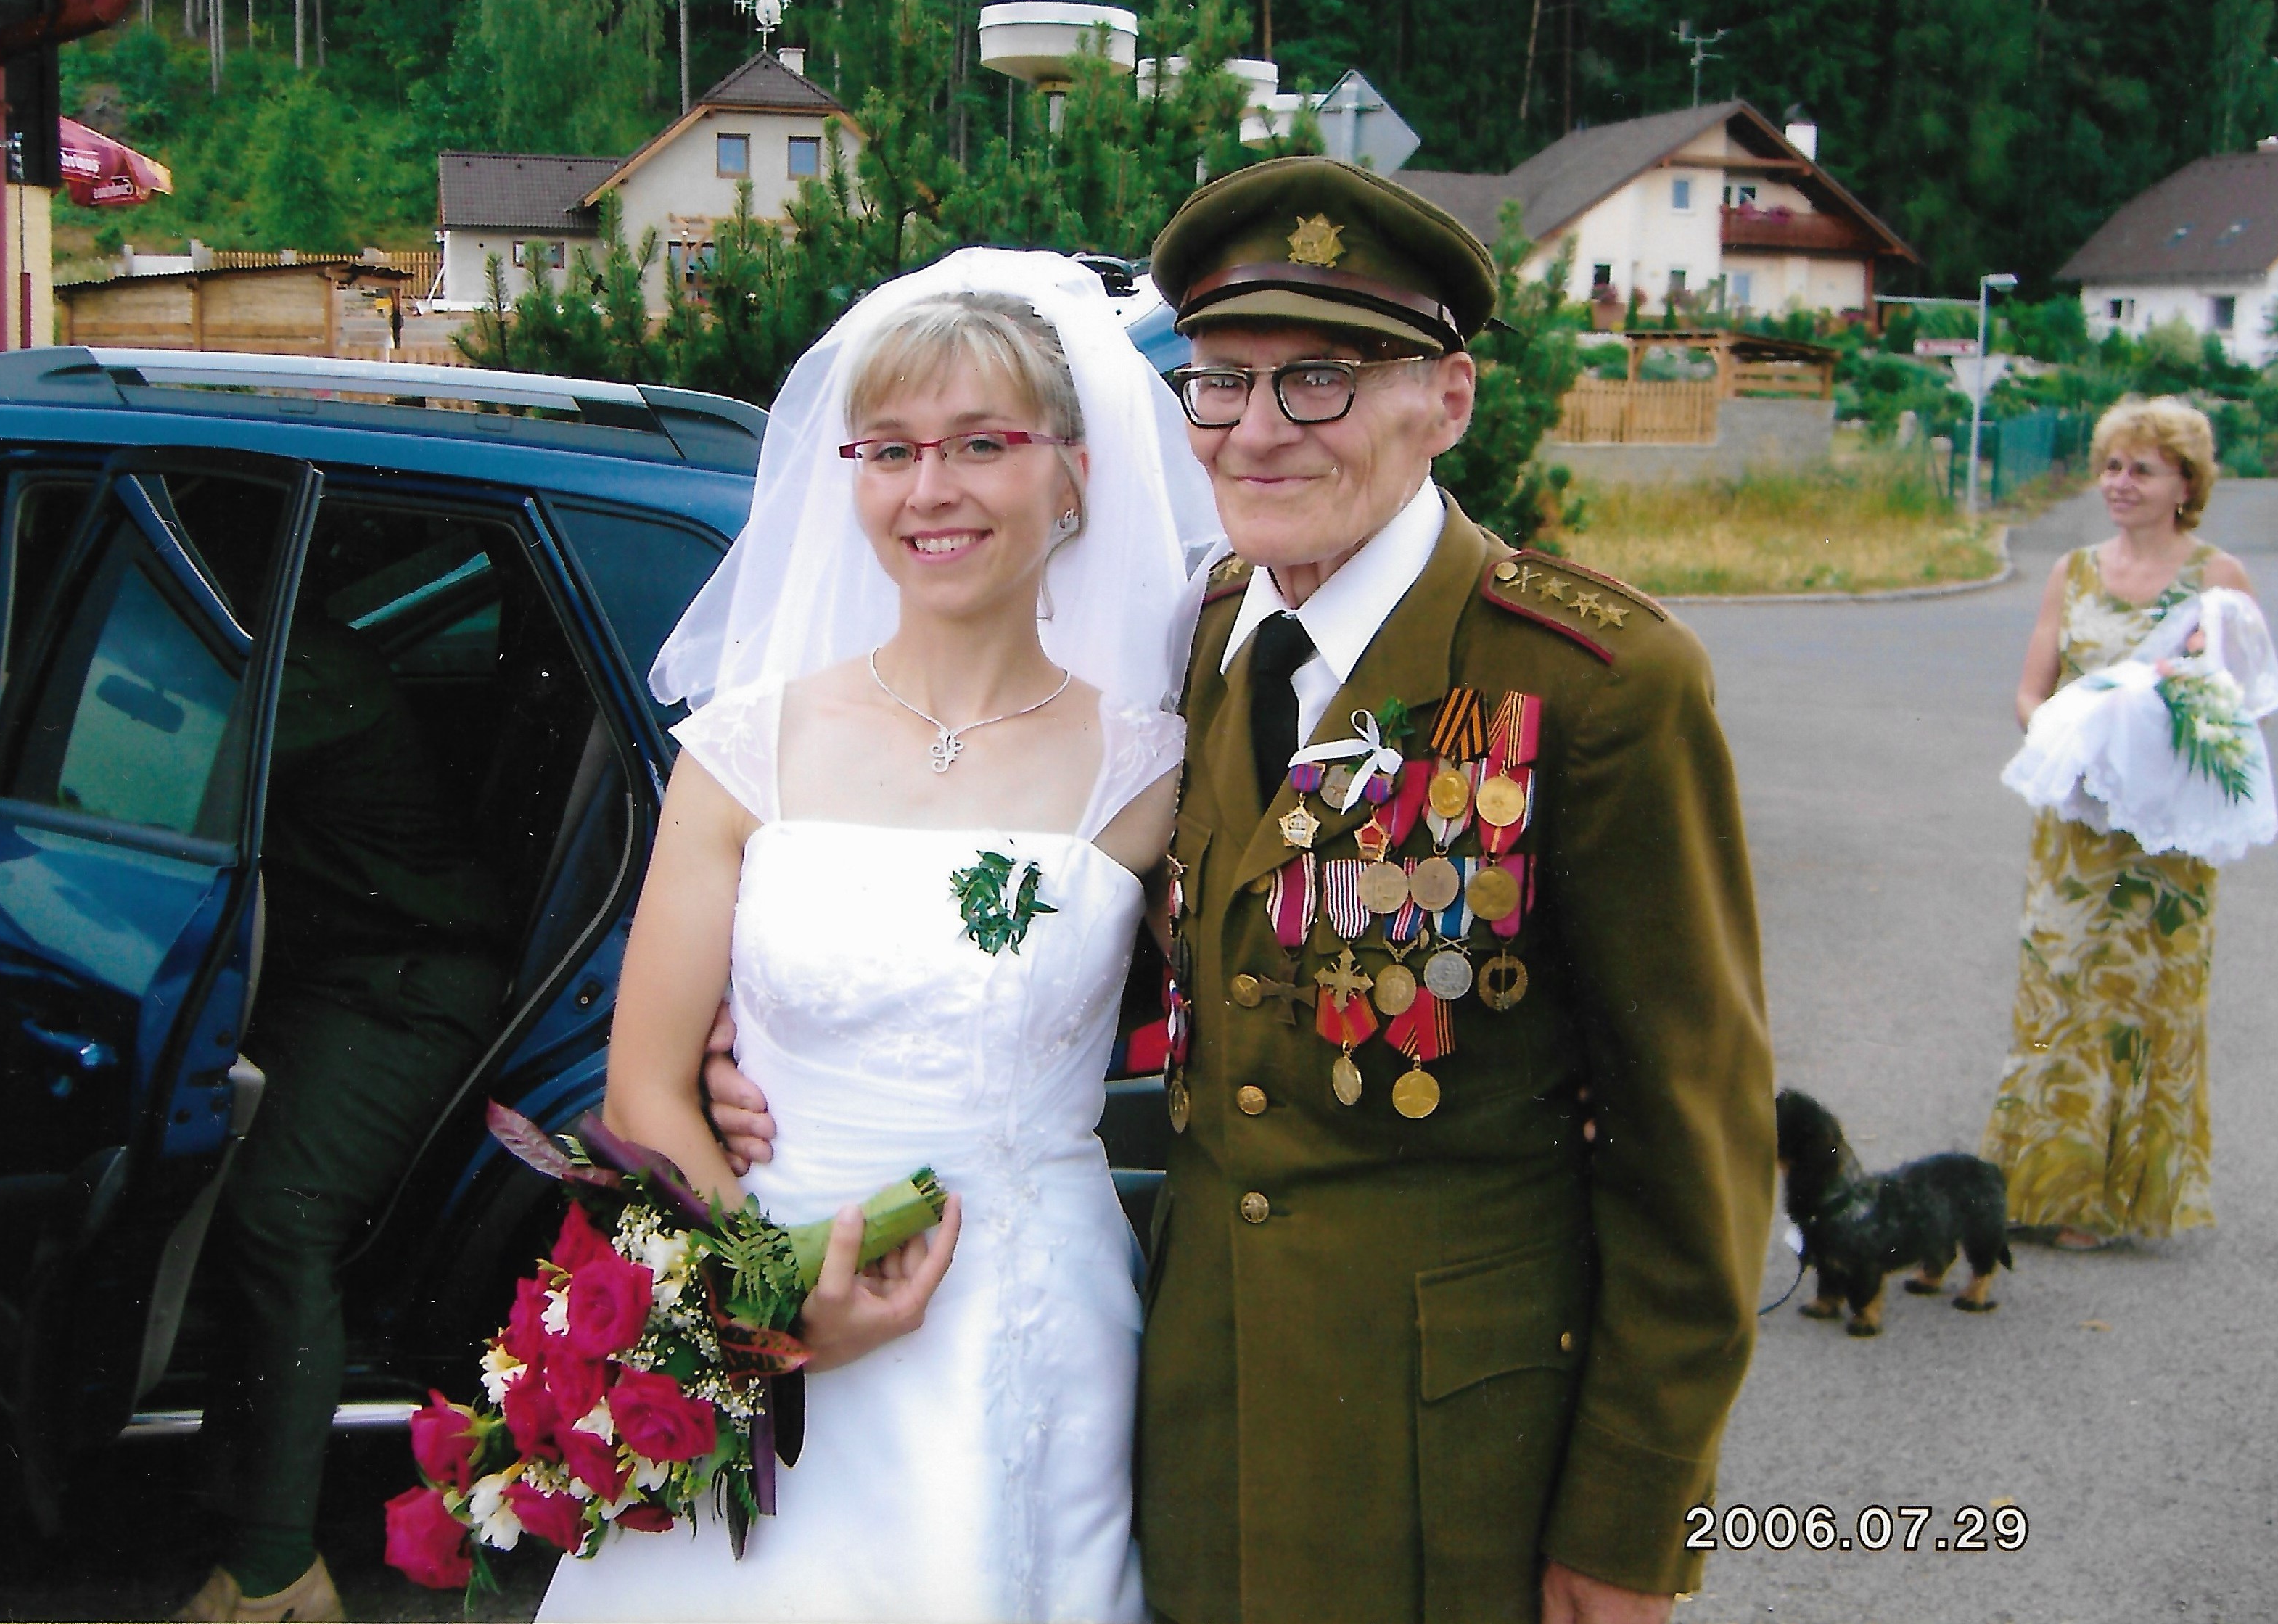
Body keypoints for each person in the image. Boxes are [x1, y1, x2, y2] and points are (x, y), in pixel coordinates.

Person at [713, 161, 1777, 1623]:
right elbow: (1115, 940)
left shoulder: (1593, 686)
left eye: (1320, 379)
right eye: (1220, 382)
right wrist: (777, 1032)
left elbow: (1691, 1151)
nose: (1258, 431)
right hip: (1194, 1424)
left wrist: (1632, 1523)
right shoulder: (1200, 637)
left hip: (1454, 1462)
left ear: (1446, 400)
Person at [536, 250, 1214, 1623]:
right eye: (890, 449)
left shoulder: (1150, 770)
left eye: (982, 444)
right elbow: (645, 1086)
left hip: (1028, 1323)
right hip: (778, 1289)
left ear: (1073, 474)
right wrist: (775, 1307)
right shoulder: (744, 750)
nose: (929, 489)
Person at [183, 613, 508, 1623]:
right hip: (326, 973)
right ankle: (226, 1497)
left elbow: (162, 785)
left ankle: (278, 1571)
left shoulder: (305, 665)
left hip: (405, 982)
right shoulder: (253, 635)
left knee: (277, 1218)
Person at [1985, 395, 2256, 1250]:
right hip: (2075, 829)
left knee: (2136, 1003)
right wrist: (2062, 739)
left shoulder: (2217, 579)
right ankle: (2035, 1185)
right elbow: (2029, 691)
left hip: (2163, 842)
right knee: (2057, 989)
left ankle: (2102, 1200)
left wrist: (2166, 737)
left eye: (2141, 469)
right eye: (2110, 466)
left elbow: (2241, 710)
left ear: (2185, 485)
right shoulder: (2071, 571)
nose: (2118, 482)